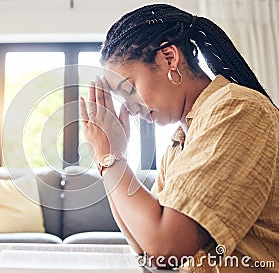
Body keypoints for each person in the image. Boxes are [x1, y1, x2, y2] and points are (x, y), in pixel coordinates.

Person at [79, 4, 279, 273]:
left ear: (170, 58)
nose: (130, 108)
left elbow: (166, 248)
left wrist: (110, 158)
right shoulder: (180, 141)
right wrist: (109, 159)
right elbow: (144, 247)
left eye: (130, 89)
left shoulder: (237, 108)